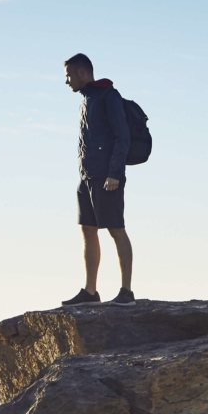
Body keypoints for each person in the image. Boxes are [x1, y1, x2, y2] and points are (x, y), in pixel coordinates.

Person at [61, 53, 135, 305]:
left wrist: (115, 173)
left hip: (107, 177)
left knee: (116, 229)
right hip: (87, 177)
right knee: (88, 230)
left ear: (82, 72)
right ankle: (90, 292)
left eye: (69, 75)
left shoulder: (108, 96)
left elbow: (121, 136)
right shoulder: (86, 100)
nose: (67, 81)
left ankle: (127, 291)